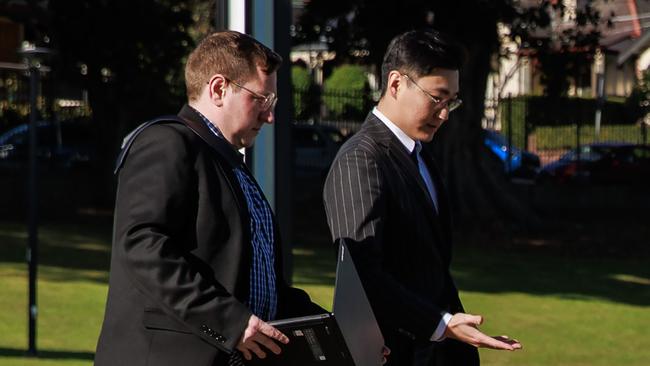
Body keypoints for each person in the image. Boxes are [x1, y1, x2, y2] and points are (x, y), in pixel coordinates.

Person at [95, 30, 323, 366]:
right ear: (219, 89)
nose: (270, 116)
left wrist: (340, 331)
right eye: (261, 100)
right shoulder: (168, 142)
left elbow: (263, 288)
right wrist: (232, 322)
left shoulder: (231, 166)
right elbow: (143, 245)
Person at [323, 29, 522, 366]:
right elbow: (361, 276)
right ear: (396, 84)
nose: (444, 114)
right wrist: (441, 325)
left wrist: (457, 335)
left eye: (452, 102)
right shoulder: (361, 159)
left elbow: (433, 272)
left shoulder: (420, 154)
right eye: (436, 98)